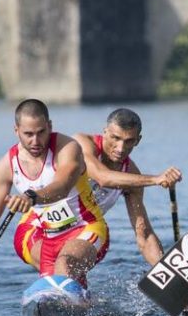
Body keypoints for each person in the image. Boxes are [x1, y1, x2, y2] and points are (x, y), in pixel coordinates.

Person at [0, 99, 108, 301]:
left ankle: (76, 304)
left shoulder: (68, 148)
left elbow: (62, 186)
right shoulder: (6, 165)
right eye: (28, 134)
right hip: (48, 236)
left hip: (86, 227)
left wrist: (32, 197)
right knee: (59, 282)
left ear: (50, 126)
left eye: (41, 132)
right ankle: (86, 306)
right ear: (16, 130)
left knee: (64, 265)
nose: (36, 141)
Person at [72, 109, 182, 266]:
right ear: (105, 132)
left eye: (129, 141)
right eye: (115, 138)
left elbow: (144, 234)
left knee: (69, 272)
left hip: (86, 232)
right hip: (47, 225)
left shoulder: (132, 175)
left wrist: (166, 270)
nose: (121, 148)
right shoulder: (81, 143)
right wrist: (156, 179)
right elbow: (102, 177)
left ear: (138, 140)